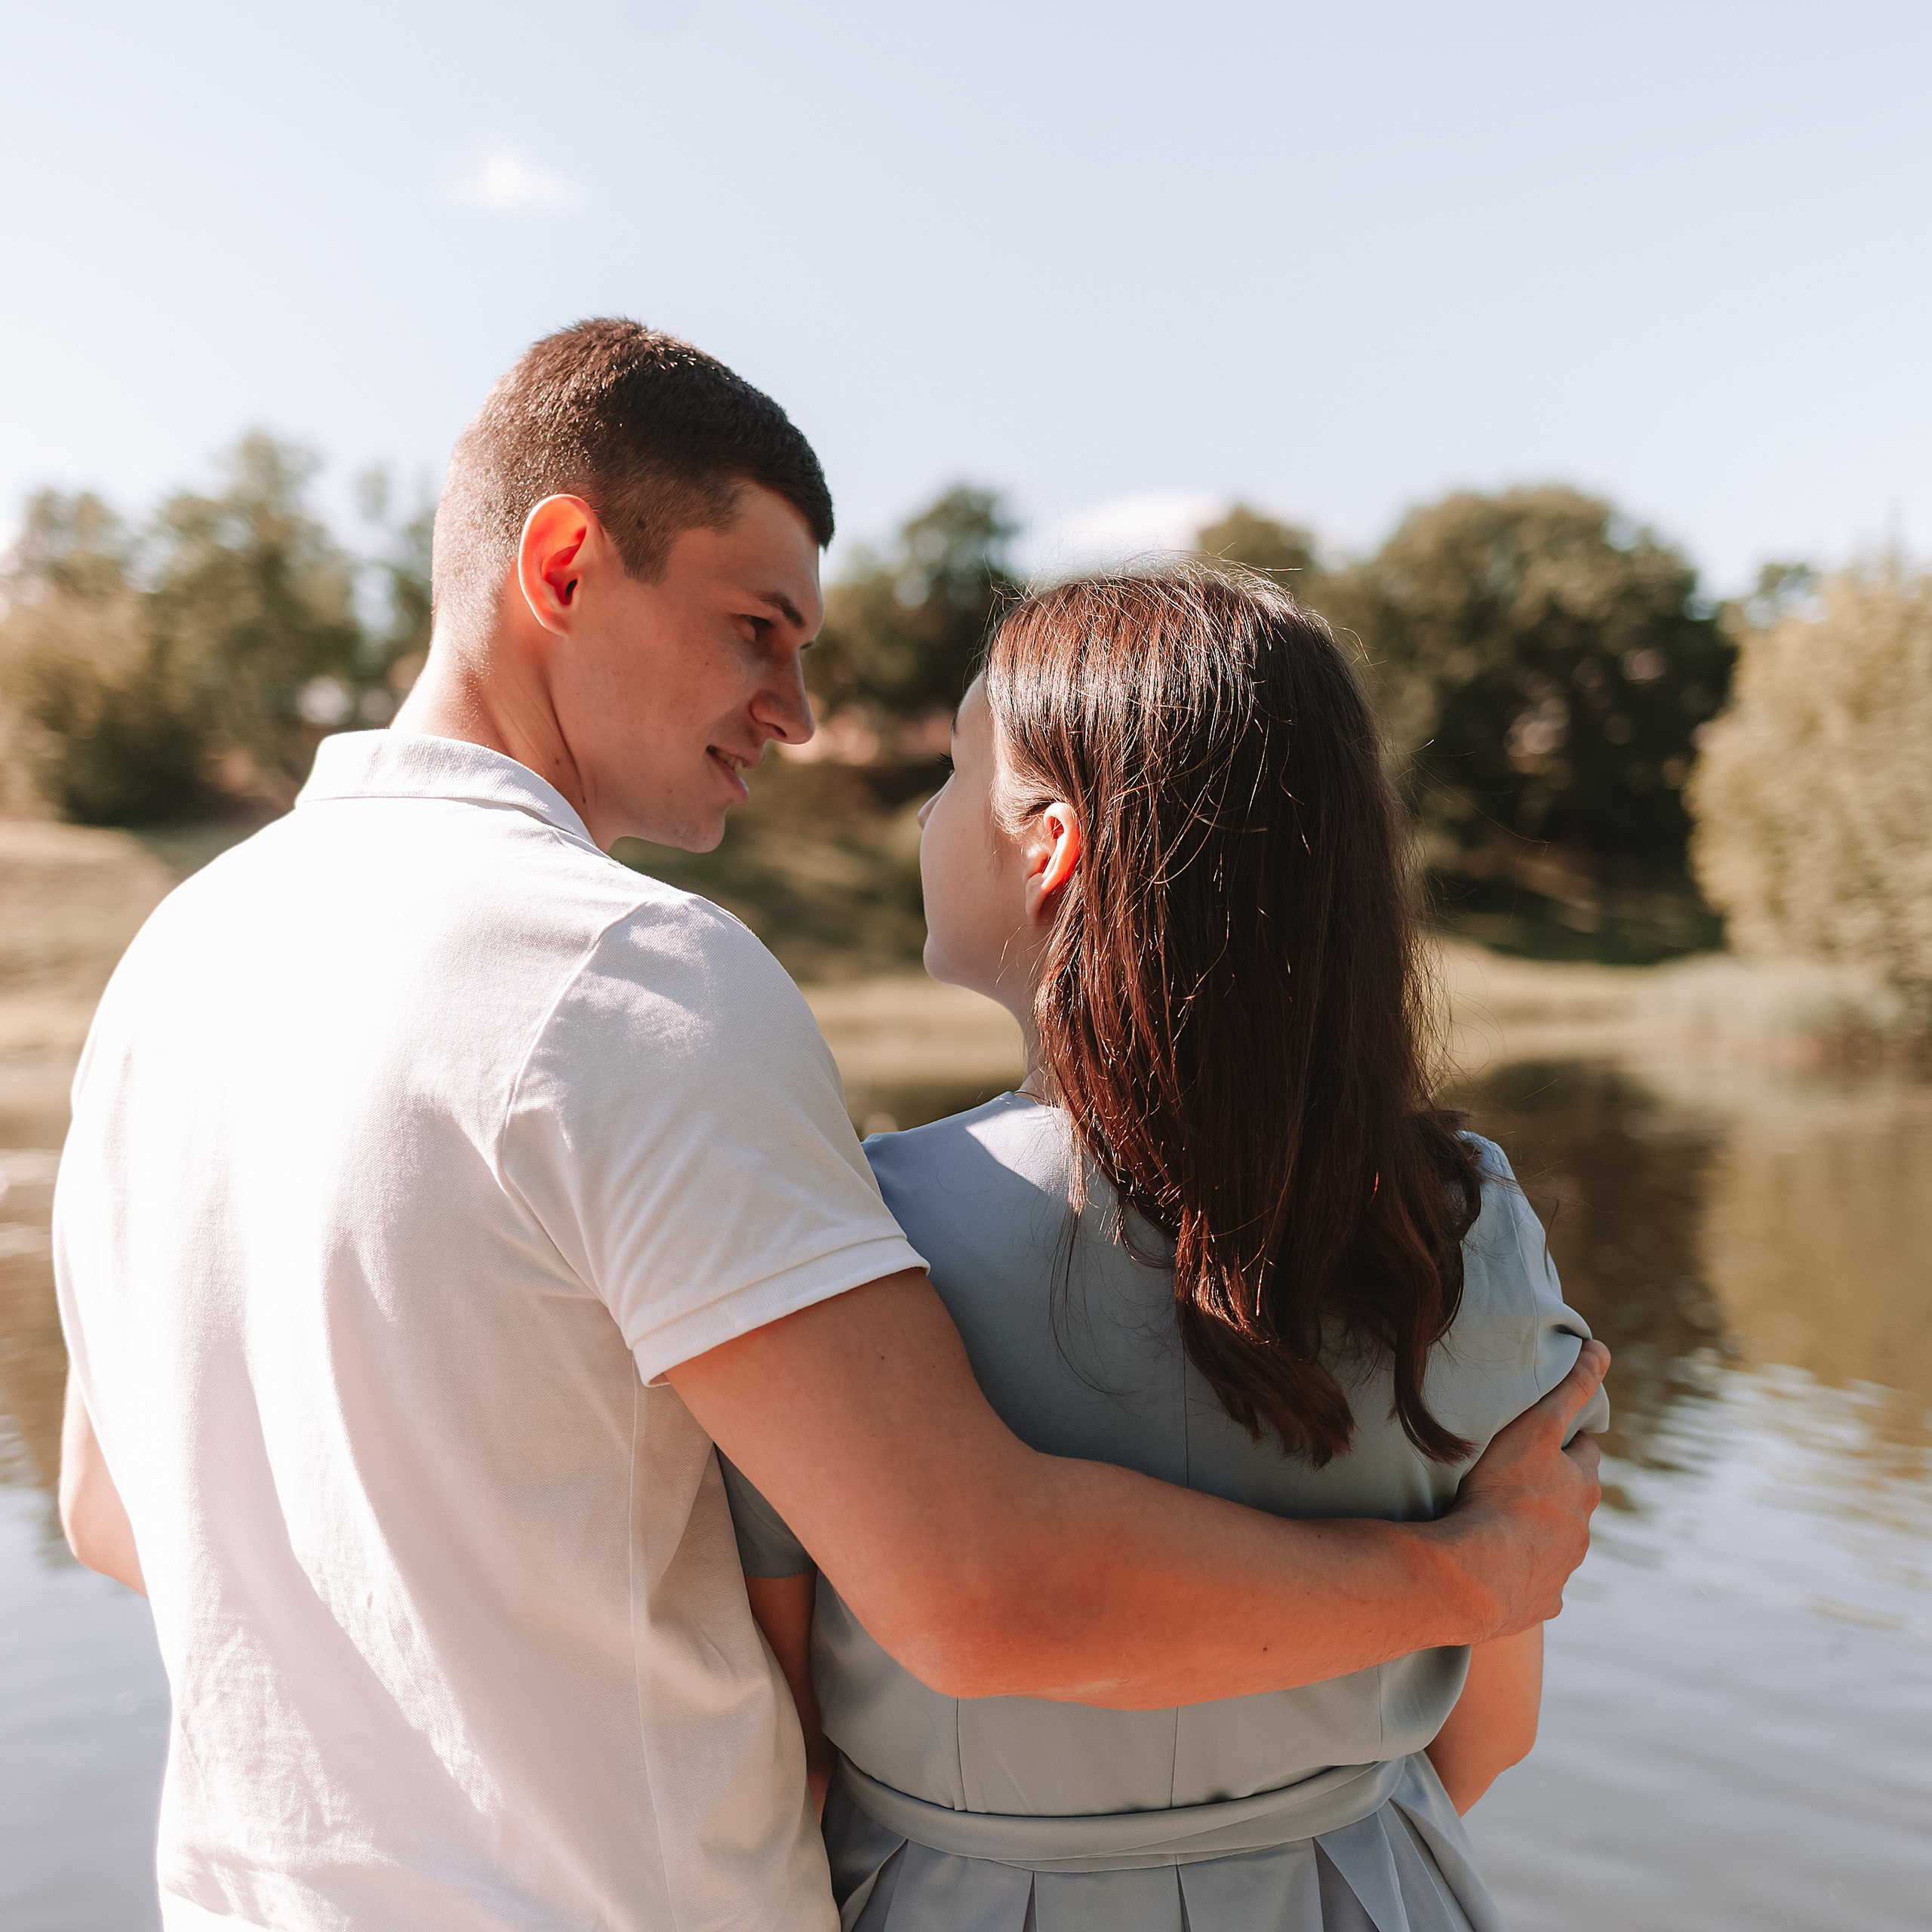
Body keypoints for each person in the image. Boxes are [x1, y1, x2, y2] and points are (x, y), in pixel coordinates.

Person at [54, 320, 1605, 1932]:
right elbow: (972, 1590)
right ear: (565, 564)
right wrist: (1469, 1578)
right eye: (756, 628)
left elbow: (111, 1510)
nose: (796, 714)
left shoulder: (173, 961)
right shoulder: (626, 975)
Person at [724, 568, 1610, 1930]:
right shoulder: (1464, 1221)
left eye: (954, 770)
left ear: (1050, 845)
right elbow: (1493, 1733)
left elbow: (784, 1735)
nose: (925, 812)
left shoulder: (855, 1234)